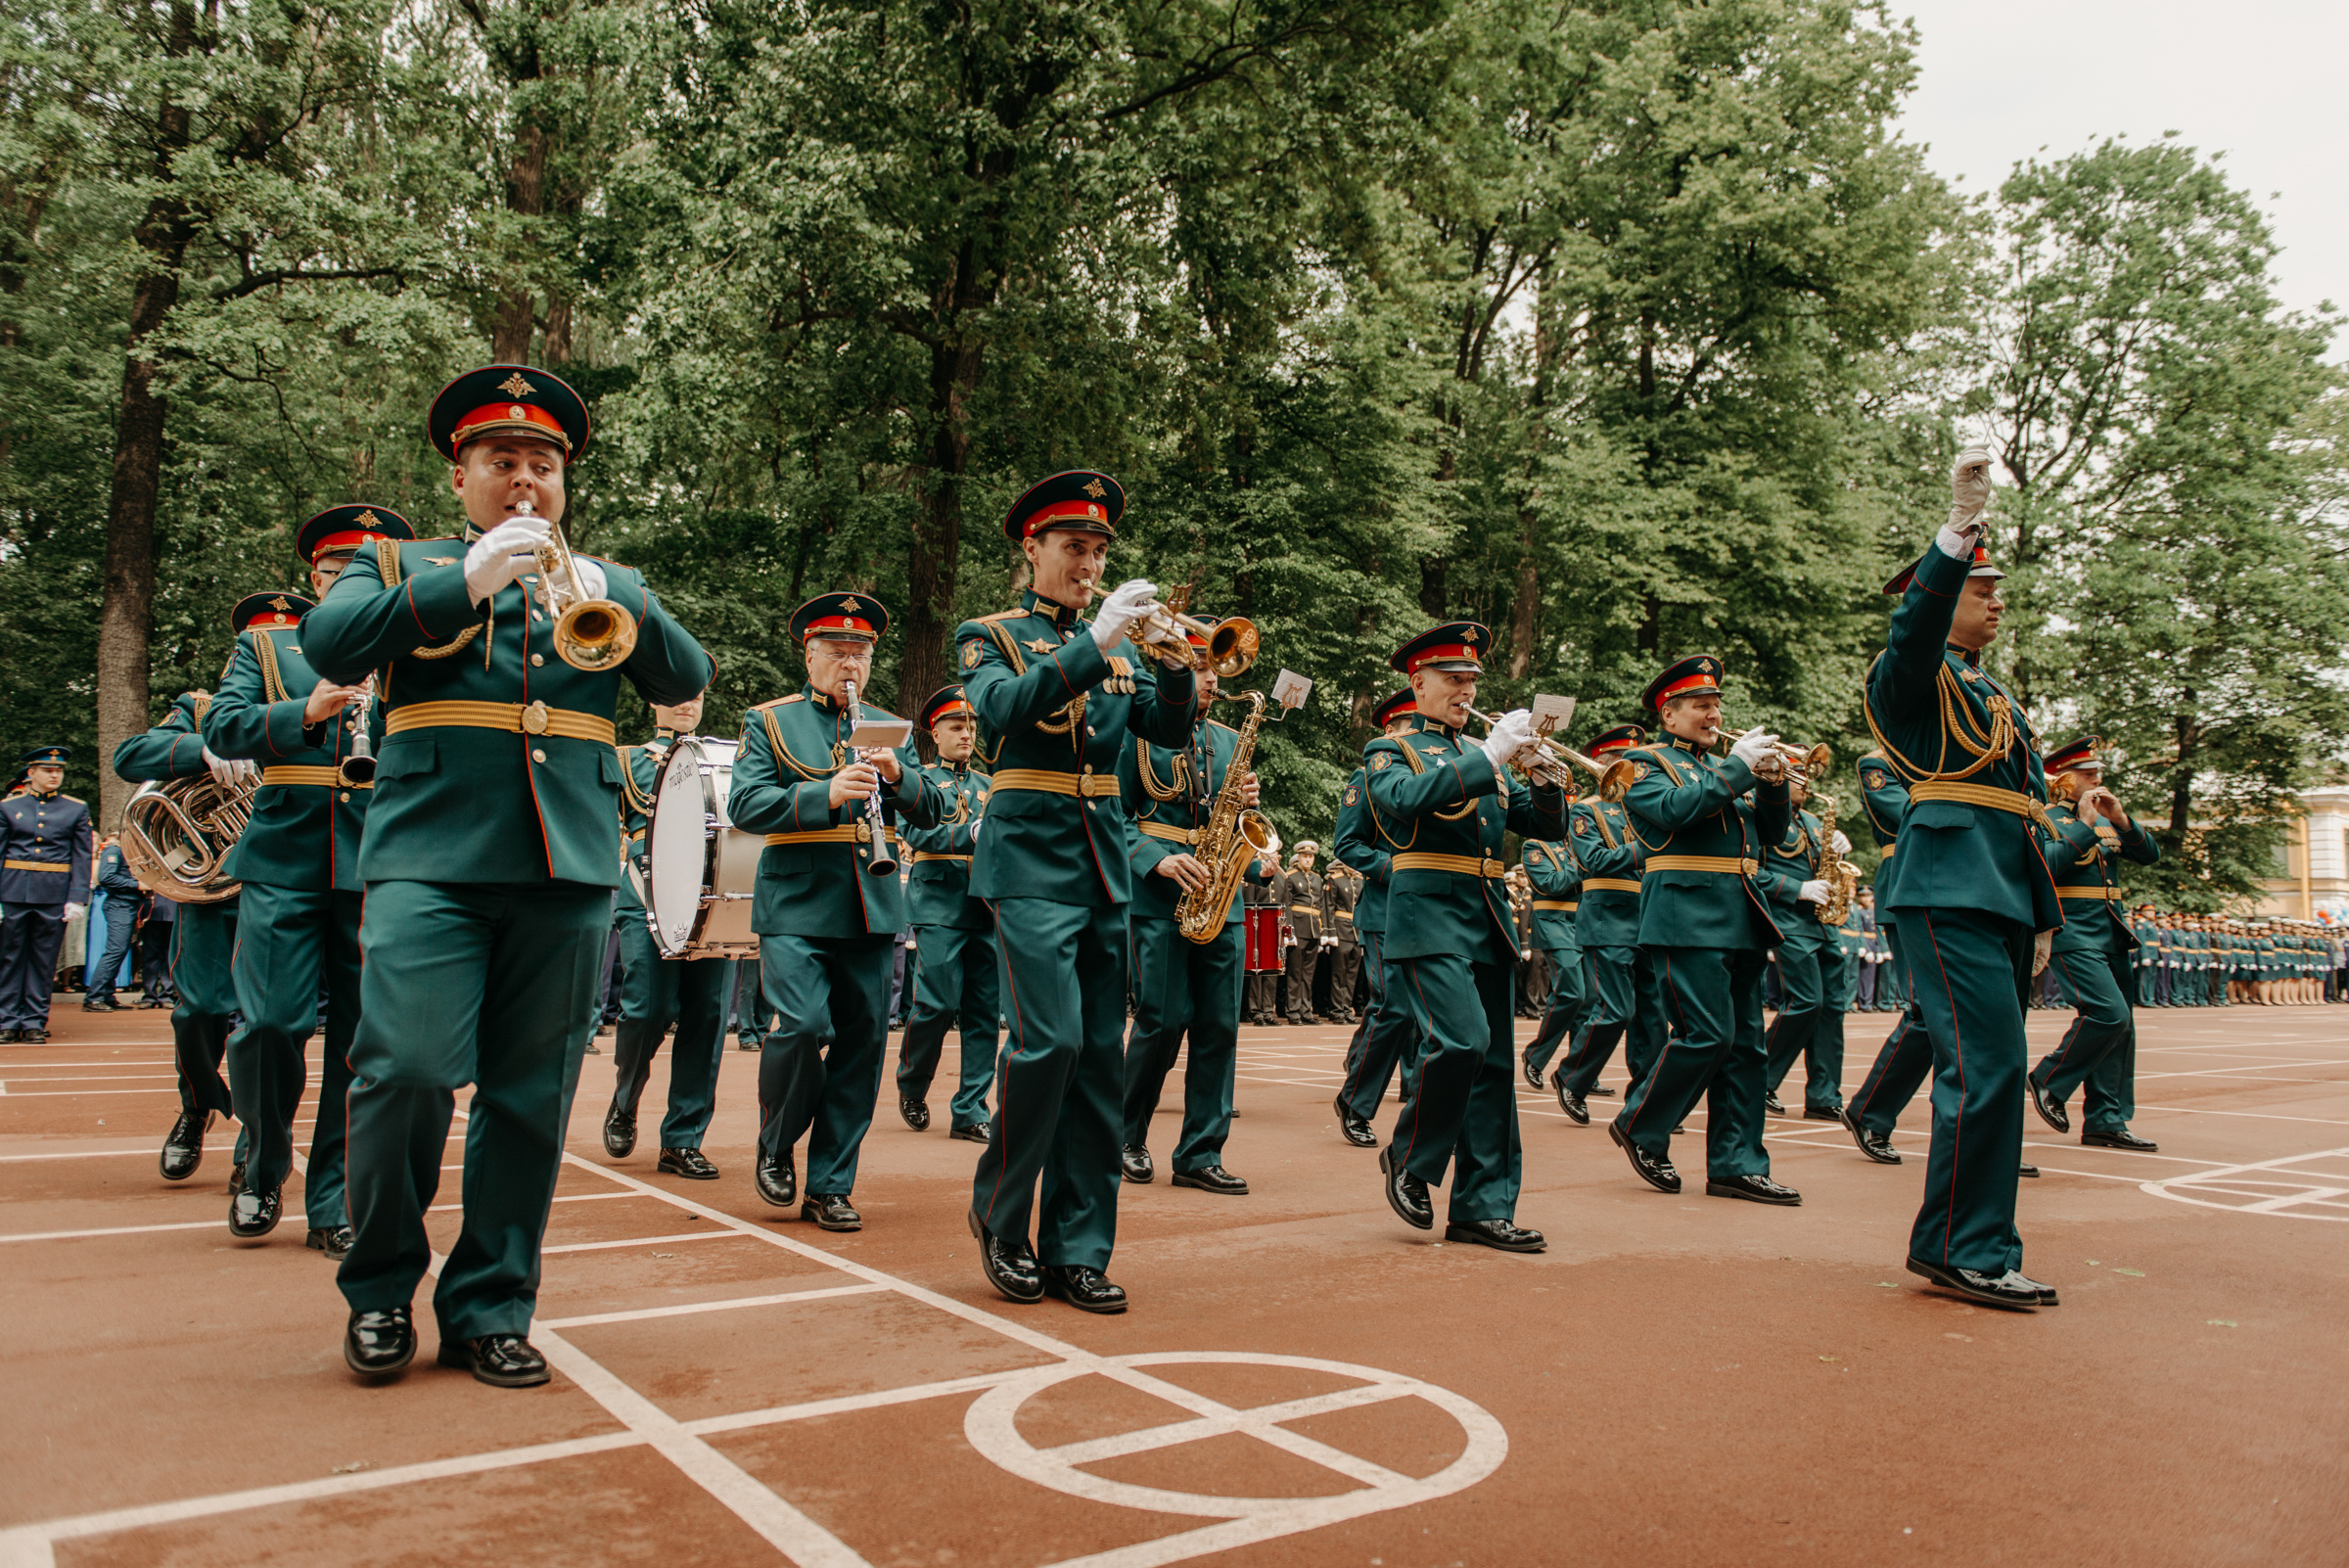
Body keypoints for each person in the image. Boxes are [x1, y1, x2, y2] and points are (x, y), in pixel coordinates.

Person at [304, 364, 714, 1384]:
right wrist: (466, 581)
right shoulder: (395, 561)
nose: (525, 480)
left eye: (543, 465)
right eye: (502, 462)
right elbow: (330, 640)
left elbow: (684, 678)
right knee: (399, 1073)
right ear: (461, 476)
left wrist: (616, 593)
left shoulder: (608, 583)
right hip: (428, 861)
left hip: (567, 865)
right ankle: (382, 1287)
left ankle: (491, 1303)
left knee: (530, 1100)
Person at [958, 470, 1199, 1314]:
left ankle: (1078, 1246)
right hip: (1027, 860)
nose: (1089, 564)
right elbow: (1002, 712)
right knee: (1048, 1043)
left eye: (1099, 551)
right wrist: (1096, 640)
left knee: (1099, 1057)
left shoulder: (1124, 646)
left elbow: (1168, 736)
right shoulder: (989, 634)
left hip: (1101, 863)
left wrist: (1175, 666)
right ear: (1033, 550)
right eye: (1074, 548)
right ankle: (1001, 1216)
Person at [1865, 447, 2063, 1310]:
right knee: (1982, 1067)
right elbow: (1912, 632)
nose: (1998, 602)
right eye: (1984, 590)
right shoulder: (1913, 674)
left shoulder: (1994, 692)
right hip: (1948, 885)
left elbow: (2028, 800)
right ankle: (1959, 1246)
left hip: (1997, 886)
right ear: (1942, 600)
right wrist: (1955, 536)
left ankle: (1980, 1240)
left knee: (1996, 1065)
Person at [728, 594, 944, 1230]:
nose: (850, 665)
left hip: (872, 905)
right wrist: (825, 793)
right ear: (811, 655)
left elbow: (931, 809)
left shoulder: (888, 726)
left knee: (862, 1046)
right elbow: (746, 804)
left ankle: (830, 1183)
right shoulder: (769, 721)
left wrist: (899, 778)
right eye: (838, 653)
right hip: (796, 901)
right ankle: (776, 1141)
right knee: (799, 1026)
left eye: (861, 654)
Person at [1364, 623, 1561, 1252]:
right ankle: (1411, 1160)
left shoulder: (1484, 753)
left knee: (1496, 1065)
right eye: (1453, 679)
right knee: (1462, 1041)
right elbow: (1403, 803)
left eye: (1472, 679)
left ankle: (1483, 1206)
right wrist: (1492, 756)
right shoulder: (1390, 750)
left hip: (1488, 913)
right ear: (1417, 683)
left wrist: (1545, 779)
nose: (1466, 689)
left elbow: (1542, 828)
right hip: (1428, 913)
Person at [1605, 660, 1799, 1206]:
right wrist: (1737, 770)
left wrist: (1774, 783)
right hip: (1683, 915)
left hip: (1739, 914)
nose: (1714, 714)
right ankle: (1641, 1124)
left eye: (1716, 705)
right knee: (1706, 1035)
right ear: (1669, 713)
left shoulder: (1722, 769)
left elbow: (1773, 837)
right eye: (1700, 706)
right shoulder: (1644, 763)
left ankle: (1737, 1165)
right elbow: (1674, 813)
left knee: (1746, 1049)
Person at [1118, 624, 1267, 1194]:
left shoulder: (1229, 741)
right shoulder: (1138, 733)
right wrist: (1154, 859)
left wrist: (1245, 826)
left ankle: (1201, 1152)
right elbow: (1115, 812)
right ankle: (1125, 1136)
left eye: (1213, 670)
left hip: (1219, 898)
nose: (1208, 680)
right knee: (1160, 1023)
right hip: (1158, 895)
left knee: (1219, 1027)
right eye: (1197, 669)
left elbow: (1233, 821)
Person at [112, 693, 250, 1180]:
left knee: (273, 1021)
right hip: (212, 888)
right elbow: (131, 755)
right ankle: (197, 1107)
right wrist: (204, 748)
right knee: (198, 1012)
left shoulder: (317, 704)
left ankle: (256, 1141)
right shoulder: (203, 706)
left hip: (288, 880)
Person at [603, 696, 731, 1181]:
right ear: (654, 701)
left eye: (697, 696)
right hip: (647, 895)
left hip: (710, 902)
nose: (687, 704)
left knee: (707, 1017)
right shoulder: (626, 759)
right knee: (648, 1009)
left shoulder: (723, 759)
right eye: (675, 695)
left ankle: (682, 1139)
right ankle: (626, 1097)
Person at [896, 684, 998, 1143]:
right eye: (956, 727)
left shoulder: (990, 785)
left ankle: (971, 1108)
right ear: (934, 735)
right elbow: (915, 835)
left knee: (984, 1011)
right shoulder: (921, 781)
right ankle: (913, 1085)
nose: (966, 734)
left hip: (987, 907)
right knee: (936, 1003)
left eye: (971, 726)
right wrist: (969, 834)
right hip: (938, 904)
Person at [1548, 723, 1657, 1124]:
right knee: (1617, 1010)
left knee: (1651, 1015)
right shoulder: (1586, 810)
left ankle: (1648, 1099)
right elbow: (1593, 861)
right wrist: (1648, 847)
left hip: (1649, 917)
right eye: (1622, 762)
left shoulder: (1645, 806)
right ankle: (1571, 1077)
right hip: (1608, 916)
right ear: (1605, 764)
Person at [1330, 691, 1418, 1146]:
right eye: (1409, 726)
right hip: (1385, 909)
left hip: (1434, 910)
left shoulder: (1439, 769)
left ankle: (1421, 1098)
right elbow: (1346, 845)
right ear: (1389, 732)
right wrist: (1394, 869)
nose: (1419, 734)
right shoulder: (1368, 775)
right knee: (1395, 1005)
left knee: (1423, 1013)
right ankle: (1356, 1102)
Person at [1759, 770, 1844, 1121]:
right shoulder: (1762, 814)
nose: (1805, 783)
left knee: (1832, 1008)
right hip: (1788, 919)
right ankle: (1758, 1080)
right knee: (1808, 1000)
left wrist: (1839, 849)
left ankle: (1824, 1095)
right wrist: (1798, 889)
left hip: (1823, 923)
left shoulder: (1812, 820)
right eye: (1796, 775)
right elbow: (1749, 870)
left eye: (1808, 776)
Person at [0, 747, 94, 1043]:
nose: (55, 775)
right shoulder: (8, 807)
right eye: (48, 770)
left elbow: (82, 855)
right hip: (12, 890)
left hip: (54, 893)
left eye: (59, 770)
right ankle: (7, 1020)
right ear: (32, 774)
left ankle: (33, 1022)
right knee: (9, 958)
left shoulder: (75, 808)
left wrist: (77, 897)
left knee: (43, 961)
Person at [1517, 832, 1584, 1088]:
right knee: (1571, 993)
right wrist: (1582, 861)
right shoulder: (1536, 845)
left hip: (1582, 923)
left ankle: (1579, 1073)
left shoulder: (1577, 843)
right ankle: (1536, 1055)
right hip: (1554, 922)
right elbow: (1551, 884)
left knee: (1588, 1001)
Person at [1280, 843, 1328, 1024]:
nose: (1308, 859)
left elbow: (1321, 905)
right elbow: (1287, 904)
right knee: (1295, 973)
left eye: (1311, 856)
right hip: (1298, 928)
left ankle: (1306, 1011)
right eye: (1304, 856)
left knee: (1308, 975)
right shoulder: (1290, 877)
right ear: (1298, 857)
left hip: (1314, 929)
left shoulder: (1317, 878)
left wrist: (1323, 930)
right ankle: (1293, 1012)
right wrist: (1290, 930)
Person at [1324, 863, 1362, 1023]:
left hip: (1356, 932)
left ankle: (1347, 1009)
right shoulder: (1335, 880)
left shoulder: (1361, 881)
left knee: (1352, 975)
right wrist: (1330, 932)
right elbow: (1328, 907)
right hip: (1340, 930)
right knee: (1339, 974)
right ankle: (1336, 1010)